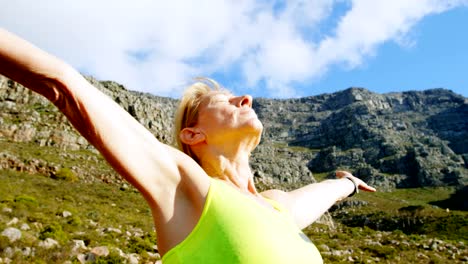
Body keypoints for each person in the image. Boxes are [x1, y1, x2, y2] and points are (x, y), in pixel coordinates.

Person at [0, 28, 376, 263]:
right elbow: (65, 84)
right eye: (225, 101)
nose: (245, 97)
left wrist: (346, 183)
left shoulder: (277, 207)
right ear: (193, 135)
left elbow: (325, 192)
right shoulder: (185, 185)